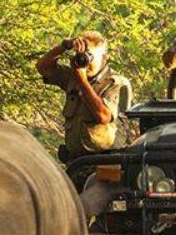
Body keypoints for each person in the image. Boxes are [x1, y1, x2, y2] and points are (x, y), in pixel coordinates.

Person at [36, 31, 132, 168]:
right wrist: (64, 46)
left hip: (106, 162)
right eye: (81, 55)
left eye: (89, 56)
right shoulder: (73, 76)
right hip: (76, 162)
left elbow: (104, 116)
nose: (85, 62)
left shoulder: (116, 83)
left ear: (104, 58)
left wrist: (82, 81)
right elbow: (42, 67)